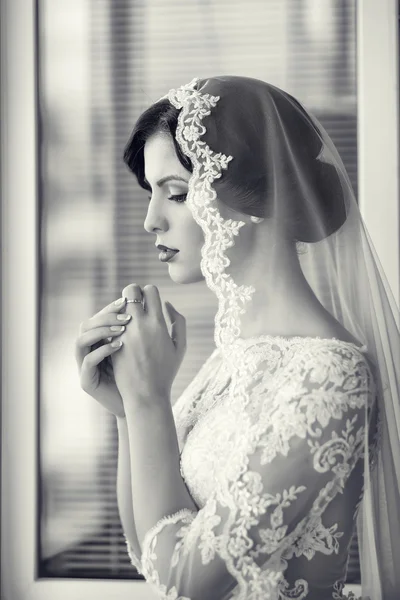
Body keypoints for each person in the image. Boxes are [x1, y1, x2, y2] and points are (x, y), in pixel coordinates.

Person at [75, 76, 400, 600]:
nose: (150, 220)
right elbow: (148, 553)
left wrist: (149, 401)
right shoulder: (232, 360)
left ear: (255, 199)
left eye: (177, 194)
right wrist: (127, 411)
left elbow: (185, 582)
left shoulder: (330, 378)